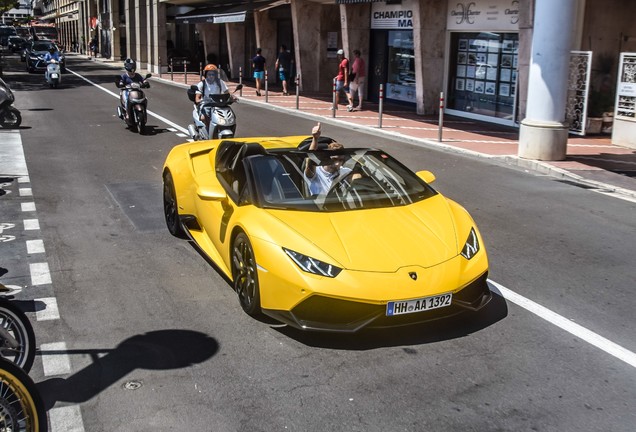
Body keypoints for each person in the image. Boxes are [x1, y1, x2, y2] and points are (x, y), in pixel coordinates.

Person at [304, 122, 354, 195]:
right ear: (325, 158)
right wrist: (315, 139)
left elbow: (358, 179)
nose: (337, 163)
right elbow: (311, 160)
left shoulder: (346, 172)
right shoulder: (316, 173)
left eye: (340, 160)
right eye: (334, 159)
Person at [194, 64, 233, 128]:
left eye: (213, 74)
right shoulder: (202, 84)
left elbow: (227, 92)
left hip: (218, 104)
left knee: (229, 116)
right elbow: (197, 98)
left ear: (215, 75)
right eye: (209, 74)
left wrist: (232, 97)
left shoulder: (220, 82)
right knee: (203, 118)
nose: (211, 76)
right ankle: (207, 130)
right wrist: (200, 101)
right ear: (206, 75)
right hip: (206, 105)